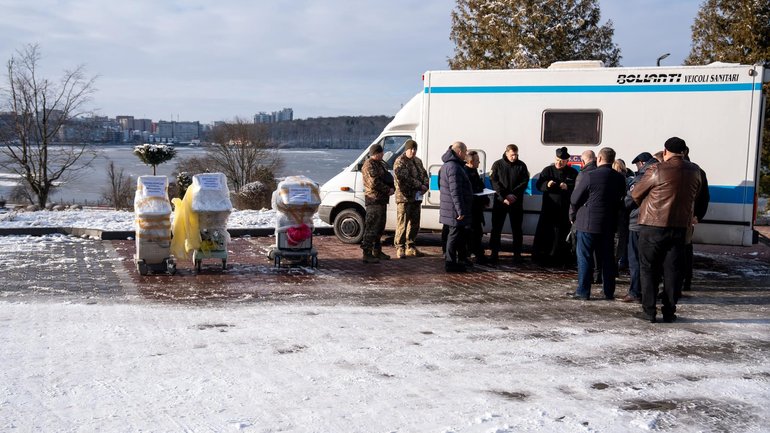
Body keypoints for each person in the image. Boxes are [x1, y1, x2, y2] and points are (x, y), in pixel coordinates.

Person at [632, 137, 709, 323]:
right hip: (680, 228)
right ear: (684, 152)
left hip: (653, 226)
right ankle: (669, 311)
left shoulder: (657, 169)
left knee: (649, 269)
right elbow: (699, 197)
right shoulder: (696, 172)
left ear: (665, 151)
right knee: (673, 271)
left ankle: (649, 311)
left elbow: (636, 193)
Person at [567, 147, 627, 300]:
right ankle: (608, 291)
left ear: (599, 158)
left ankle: (583, 291)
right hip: (609, 224)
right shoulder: (620, 178)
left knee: (585, 257)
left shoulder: (589, 176)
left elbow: (574, 199)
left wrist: (574, 213)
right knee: (607, 259)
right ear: (613, 160)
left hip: (587, 223)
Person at [620, 151, 657, 303]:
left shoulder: (642, 178)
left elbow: (630, 200)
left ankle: (635, 292)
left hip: (637, 223)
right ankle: (649, 293)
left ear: (641, 163)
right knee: (650, 261)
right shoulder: (660, 174)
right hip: (654, 224)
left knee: (635, 260)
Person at [532, 147, 578, 266]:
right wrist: (547, 185)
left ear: (567, 161)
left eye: (562, 161)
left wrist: (567, 186)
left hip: (564, 209)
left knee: (561, 235)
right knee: (546, 233)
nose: (559, 163)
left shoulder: (573, 172)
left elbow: (577, 188)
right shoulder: (547, 170)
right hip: (549, 208)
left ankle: (561, 258)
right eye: (557, 160)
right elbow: (538, 185)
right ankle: (543, 257)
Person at [489, 144, 530, 263]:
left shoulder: (521, 165)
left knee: (517, 229)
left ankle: (517, 254)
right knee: (496, 228)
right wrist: (504, 196)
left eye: (516, 155)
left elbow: (524, 182)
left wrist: (514, 195)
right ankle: (494, 253)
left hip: (516, 202)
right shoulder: (497, 165)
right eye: (512, 155)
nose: (514, 157)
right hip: (500, 202)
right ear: (506, 153)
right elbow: (494, 182)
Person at [439, 141, 473, 272]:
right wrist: (460, 210)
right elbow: (456, 192)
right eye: (465, 152)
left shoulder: (449, 165)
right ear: (459, 152)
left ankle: (454, 261)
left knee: (455, 235)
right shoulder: (454, 167)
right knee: (453, 236)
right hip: (453, 209)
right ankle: (450, 263)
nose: (466, 155)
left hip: (450, 208)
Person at [393, 139, 429, 259]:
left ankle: (410, 246)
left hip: (416, 198)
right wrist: (420, 185)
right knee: (402, 223)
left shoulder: (417, 161)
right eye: (411, 149)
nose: (413, 151)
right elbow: (404, 178)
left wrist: (426, 185)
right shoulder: (400, 161)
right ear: (406, 149)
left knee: (415, 223)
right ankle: (400, 247)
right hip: (404, 198)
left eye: (414, 149)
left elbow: (424, 175)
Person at [681, 146, 710, 295]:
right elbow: (704, 197)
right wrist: (698, 215)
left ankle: (681, 281)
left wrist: (698, 214)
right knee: (686, 248)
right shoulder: (698, 171)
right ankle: (685, 280)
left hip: (680, 217)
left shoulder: (693, 171)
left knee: (680, 250)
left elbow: (703, 197)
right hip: (689, 217)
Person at [360, 144, 395, 264]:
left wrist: (392, 187)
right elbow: (374, 182)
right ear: (376, 153)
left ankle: (377, 250)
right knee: (372, 227)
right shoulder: (368, 165)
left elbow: (387, 177)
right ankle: (367, 253)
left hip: (381, 200)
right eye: (380, 153)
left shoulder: (380, 164)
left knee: (380, 227)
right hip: (373, 200)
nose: (382, 155)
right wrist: (388, 189)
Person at [465, 150, 490, 264]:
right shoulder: (465, 172)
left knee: (477, 231)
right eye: (477, 160)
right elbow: (472, 189)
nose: (479, 162)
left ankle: (478, 253)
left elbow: (481, 186)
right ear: (470, 161)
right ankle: (468, 254)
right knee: (470, 232)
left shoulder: (474, 171)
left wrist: (486, 198)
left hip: (477, 207)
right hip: (470, 208)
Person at [612, 158, 632, 271]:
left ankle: (616, 263)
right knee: (623, 240)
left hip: (617, 214)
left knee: (617, 239)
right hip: (626, 216)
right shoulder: (629, 180)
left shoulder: (614, 180)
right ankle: (621, 262)